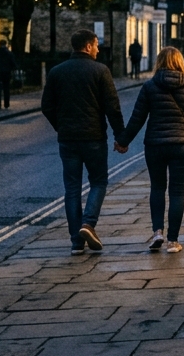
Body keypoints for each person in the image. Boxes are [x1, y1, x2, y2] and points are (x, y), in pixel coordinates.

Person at [41, 29, 125, 256]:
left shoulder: (57, 71)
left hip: (68, 140)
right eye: (96, 45)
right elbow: (112, 108)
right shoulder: (100, 71)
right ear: (88, 47)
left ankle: (76, 243)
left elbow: (46, 106)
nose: (98, 49)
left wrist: (61, 126)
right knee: (98, 182)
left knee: (72, 189)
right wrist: (121, 136)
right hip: (94, 138)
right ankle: (88, 224)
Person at [116, 47, 184, 254]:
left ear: (159, 62)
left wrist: (123, 141)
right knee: (177, 191)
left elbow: (137, 118)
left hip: (155, 145)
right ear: (180, 62)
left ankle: (157, 232)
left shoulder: (149, 86)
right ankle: (173, 241)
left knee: (157, 188)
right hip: (182, 146)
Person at [0, 39, 18, 109]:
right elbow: (14, 64)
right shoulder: (9, 54)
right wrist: (11, 70)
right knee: (6, 89)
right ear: (5, 44)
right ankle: (6, 104)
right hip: (6, 73)